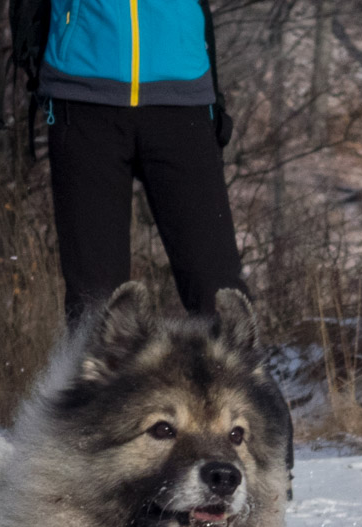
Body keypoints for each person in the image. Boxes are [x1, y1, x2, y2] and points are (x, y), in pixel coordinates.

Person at [24, 0, 244, 323]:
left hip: (183, 91)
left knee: (221, 298)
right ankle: (88, 372)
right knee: (95, 308)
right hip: (83, 94)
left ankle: (237, 375)